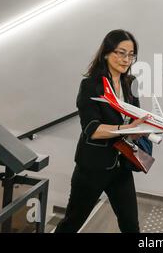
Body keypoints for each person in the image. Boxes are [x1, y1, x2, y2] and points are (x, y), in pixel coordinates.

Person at [55, 29, 149, 233]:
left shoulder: (130, 83)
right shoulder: (90, 86)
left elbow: (133, 119)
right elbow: (93, 130)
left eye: (131, 54)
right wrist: (127, 128)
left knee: (131, 225)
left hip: (121, 166)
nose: (126, 59)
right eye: (121, 52)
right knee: (71, 224)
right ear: (106, 53)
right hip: (92, 168)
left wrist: (144, 128)